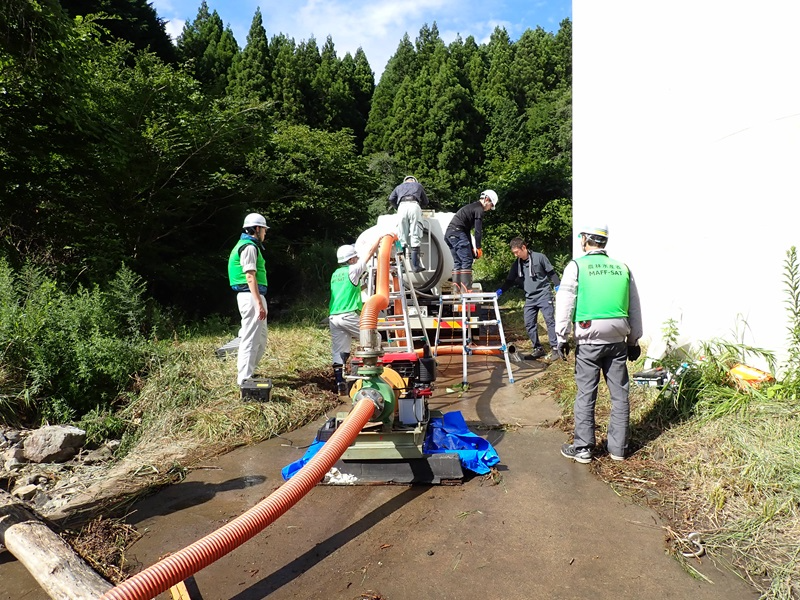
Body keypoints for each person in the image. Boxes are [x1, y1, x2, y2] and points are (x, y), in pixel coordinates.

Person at [554, 224, 643, 463]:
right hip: (617, 340)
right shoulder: (622, 267)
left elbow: (565, 301)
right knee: (620, 394)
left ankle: (583, 448)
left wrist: (561, 336)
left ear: (585, 240)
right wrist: (634, 339)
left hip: (589, 339)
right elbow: (634, 304)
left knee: (586, 392)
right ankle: (618, 449)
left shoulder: (576, 267)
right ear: (604, 242)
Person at [329, 237, 382, 395]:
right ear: (351, 259)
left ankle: (340, 383)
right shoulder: (353, 269)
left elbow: (351, 289)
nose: (357, 259)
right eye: (355, 257)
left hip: (334, 317)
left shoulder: (336, 274)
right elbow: (367, 255)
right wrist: (377, 241)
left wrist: (364, 285)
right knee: (374, 339)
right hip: (348, 315)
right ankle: (372, 374)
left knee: (339, 351)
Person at [496, 237, 561, 361]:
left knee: (549, 321)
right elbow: (509, 281)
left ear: (524, 248)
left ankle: (555, 348)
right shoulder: (517, 264)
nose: (516, 255)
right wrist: (500, 291)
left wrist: (558, 286)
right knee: (529, 323)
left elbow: (551, 273)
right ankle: (538, 349)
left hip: (543, 295)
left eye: (517, 252)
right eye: (514, 253)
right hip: (530, 298)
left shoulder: (539, 257)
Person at [228, 213, 270, 388]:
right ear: (257, 229)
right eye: (264, 230)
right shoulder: (249, 248)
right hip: (251, 296)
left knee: (260, 339)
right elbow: (250, 276)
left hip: (253, 296)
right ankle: (244, 379)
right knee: (250, 338)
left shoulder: (247, 245)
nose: (265, 234)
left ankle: (248, 372)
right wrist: (258, 303)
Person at [444, 189, 498, 293]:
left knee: (458, 261)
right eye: (491, 205)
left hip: (449, 234)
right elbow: (478, 231)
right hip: (458, 233)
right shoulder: (479, 210)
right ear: (487, 199)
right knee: (467, 260)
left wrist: (472, 248)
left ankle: (457, 289)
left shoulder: (471, 208)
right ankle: (466, 289)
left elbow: (467, 231)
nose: (490, 208)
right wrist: (479, 247)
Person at [388, 175, 430, 272]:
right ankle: (415, 266)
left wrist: (396, 207)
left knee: (401, 236)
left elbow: (391, 198)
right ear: (414, 181)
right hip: (414, 206)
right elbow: (426, 201)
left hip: (401, 207)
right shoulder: (418, 186)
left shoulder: (398, 187)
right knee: (415, 234)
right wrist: (420, 206)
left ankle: (401, 266)